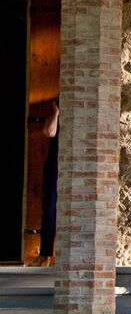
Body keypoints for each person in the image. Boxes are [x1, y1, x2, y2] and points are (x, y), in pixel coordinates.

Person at [33, 101, 58, 267]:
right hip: (54, 165)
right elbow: (49, 132)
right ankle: (45, 255)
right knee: (49, 209)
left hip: (71, 166)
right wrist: (56, 114)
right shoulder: (55, 117)